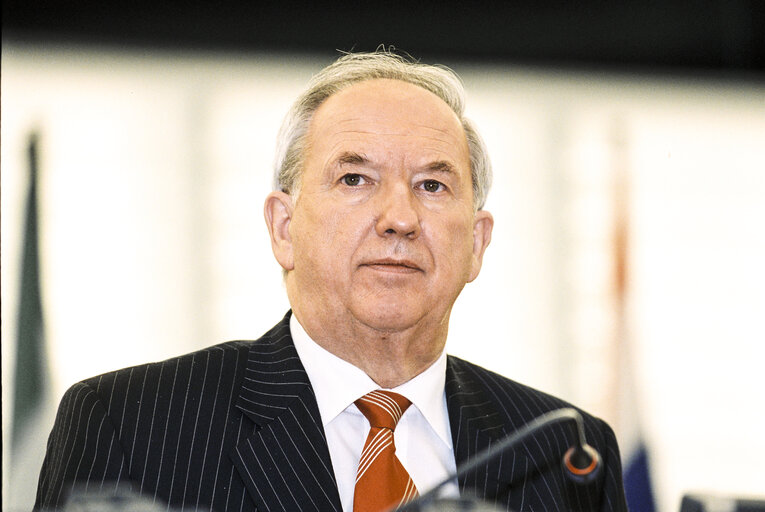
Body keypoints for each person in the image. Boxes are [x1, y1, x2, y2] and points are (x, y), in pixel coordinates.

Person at [35, 51, 628, 512]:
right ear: (284, 228)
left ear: (476, 244)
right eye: (354, 179)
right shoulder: (131, 424)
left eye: (432, 185)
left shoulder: (564, 453)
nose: (399, 217)